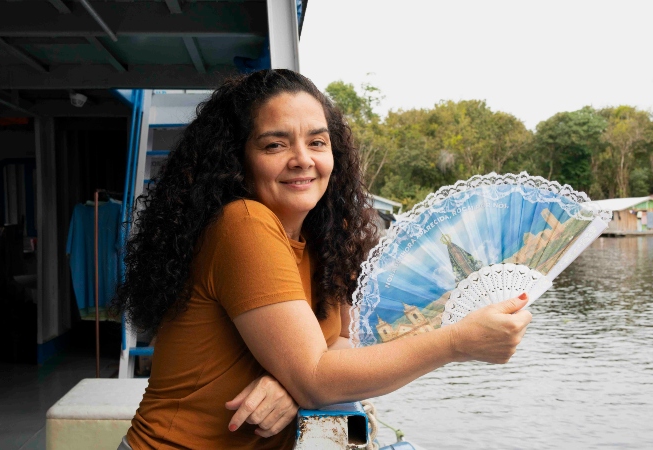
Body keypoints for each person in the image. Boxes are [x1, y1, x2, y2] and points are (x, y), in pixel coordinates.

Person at [112, 69, 532, 450]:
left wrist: (290, 384)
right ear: (237, 160)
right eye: (275, 144)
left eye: (317, 142)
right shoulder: (244, 224)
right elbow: (317, 373)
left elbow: (341, 341)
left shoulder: (325, 238)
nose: (303, 159)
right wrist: (456, 342)